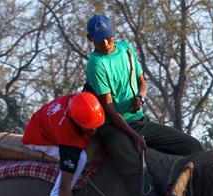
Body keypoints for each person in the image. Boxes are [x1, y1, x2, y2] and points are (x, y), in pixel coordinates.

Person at [84, 15, 201, 182]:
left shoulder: (126, 49)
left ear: (113, 33)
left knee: (193, 146)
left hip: (140, 123)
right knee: (137, 174)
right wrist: (133, 135)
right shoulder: (96, 64)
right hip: (115, 129)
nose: (105, 43)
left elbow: (142, 83)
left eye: (107, 37)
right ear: (90, 39)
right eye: (98, 40)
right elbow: (109, 108)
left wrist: (141, 97)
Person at [23, 92, 106, 196]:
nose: (94, 130)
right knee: (80, 159)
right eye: (89, 128)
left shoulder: (83, 100)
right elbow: (65, 186)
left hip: (44, 124)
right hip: (38, 139)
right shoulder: (68, 137)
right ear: (77, 123)